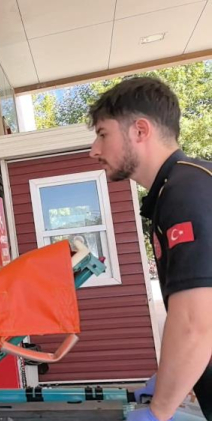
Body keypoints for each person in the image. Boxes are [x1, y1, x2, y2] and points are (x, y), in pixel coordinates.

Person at [88, 76, 212, 421]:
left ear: (140, 130)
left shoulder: (187, 192)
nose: (94, 150)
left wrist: (159, 410)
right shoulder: (182, 187)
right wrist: (173, 377)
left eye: (102, 134)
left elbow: (195, 323)